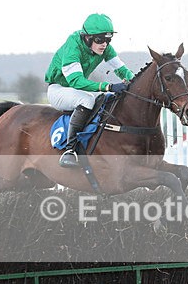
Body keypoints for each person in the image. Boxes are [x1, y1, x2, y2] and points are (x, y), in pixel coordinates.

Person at [45, 13, 135, 168]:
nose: (104, 44)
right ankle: (70, 150)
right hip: (58, 89)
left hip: (76, 90)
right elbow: (76, 81)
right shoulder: (72, 47)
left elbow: (122, 70)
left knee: (108, 98)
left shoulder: (104, 47)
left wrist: (135, 82)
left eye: (108, 40)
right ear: (87, 37)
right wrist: (108, 86)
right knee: (87, 100)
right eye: (100, 40)